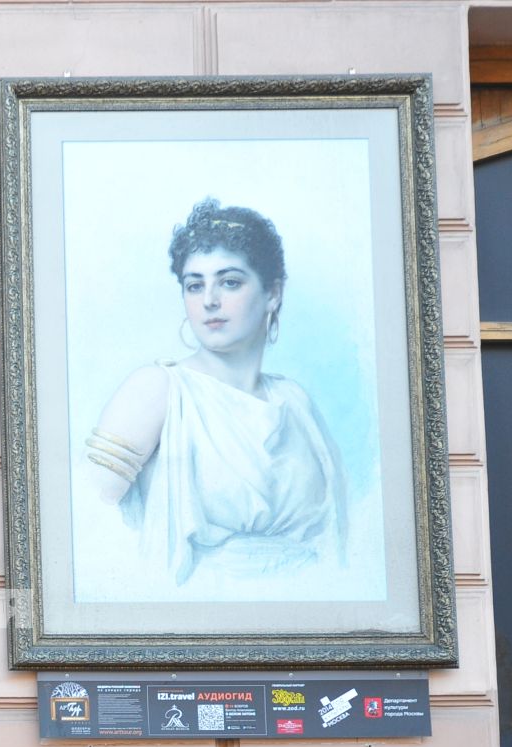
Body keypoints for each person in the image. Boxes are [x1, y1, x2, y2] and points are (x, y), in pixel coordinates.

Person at [85, 197, 347, 588]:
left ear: (273, 293)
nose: (209, 300)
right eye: (195, 285)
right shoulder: (157, 389)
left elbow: (335, 536)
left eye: (229, 282)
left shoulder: (295, 402)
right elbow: (89, 520)